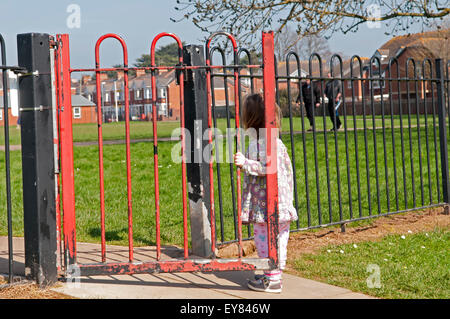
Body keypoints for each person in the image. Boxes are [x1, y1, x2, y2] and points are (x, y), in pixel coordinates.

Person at [234, 93, 298, 293]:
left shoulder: (263, 142)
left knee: (266, 238)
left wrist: (245, 163)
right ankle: (272, 273)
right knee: (275, 238)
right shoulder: (272, 140)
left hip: (268, 203)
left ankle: (273, 279)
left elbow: (267, 167)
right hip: (278, 202)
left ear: (251, 118)